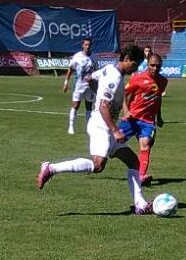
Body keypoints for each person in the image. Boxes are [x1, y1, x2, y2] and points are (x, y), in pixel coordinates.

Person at [36, 45, 155, 214]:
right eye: (135, 65)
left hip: (105, 123)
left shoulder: (109, 69)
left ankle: (140, 204)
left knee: (133, 161)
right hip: (102, 125)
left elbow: (89, 78)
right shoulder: (113, 78)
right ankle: (51, 168)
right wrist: (115, 130)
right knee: (98, 165)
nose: (135, 69)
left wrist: (97, 92)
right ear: (127, 59)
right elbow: (103, 106)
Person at [119, 53, 168, 186]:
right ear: (147, 64)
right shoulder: (138, 78)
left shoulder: (163, 81)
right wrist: (126, 111)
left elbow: (158, 99)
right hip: (133, 118)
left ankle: (140, 176)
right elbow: (124, 93)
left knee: (145, 145)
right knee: (114, 142)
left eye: (158, 66)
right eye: (152, 65)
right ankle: (96, 161)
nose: (155, 68)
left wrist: (159, 117)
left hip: (148, 121)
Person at [63, 37, 97, 135]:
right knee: (76, 105)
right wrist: (66, 83)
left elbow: (96, 71)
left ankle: (88, 128)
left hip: (90, 86)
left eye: (89, 45)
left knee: (89, 107)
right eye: (86, 44)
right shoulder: (77, 56)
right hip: (79, 86)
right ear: (82, 45)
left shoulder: (94, 57)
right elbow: (70, 69)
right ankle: (71, 126)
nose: (87, 46)